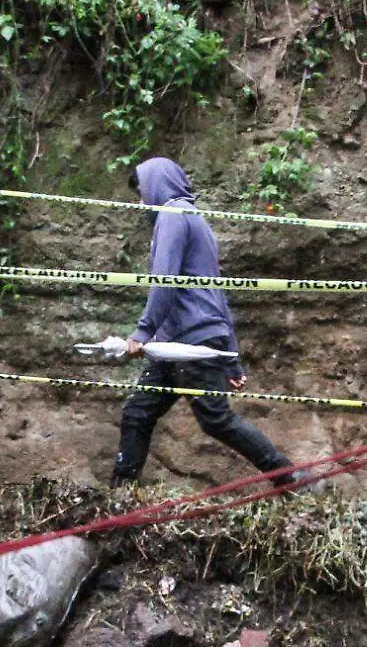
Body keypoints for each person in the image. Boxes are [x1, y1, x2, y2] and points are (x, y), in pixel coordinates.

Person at [111, 157, 294, 487]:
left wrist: (141, 332)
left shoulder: (173, 215)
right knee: (138, 413)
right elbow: (217, 294)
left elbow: (164, 281)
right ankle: (121, 498)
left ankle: (288, 475)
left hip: (190, 341)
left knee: (216, 419)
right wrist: (231, 358)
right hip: (177, 343)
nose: (141, 202)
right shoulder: (195, 220)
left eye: (142, 192)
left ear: (157, 185)